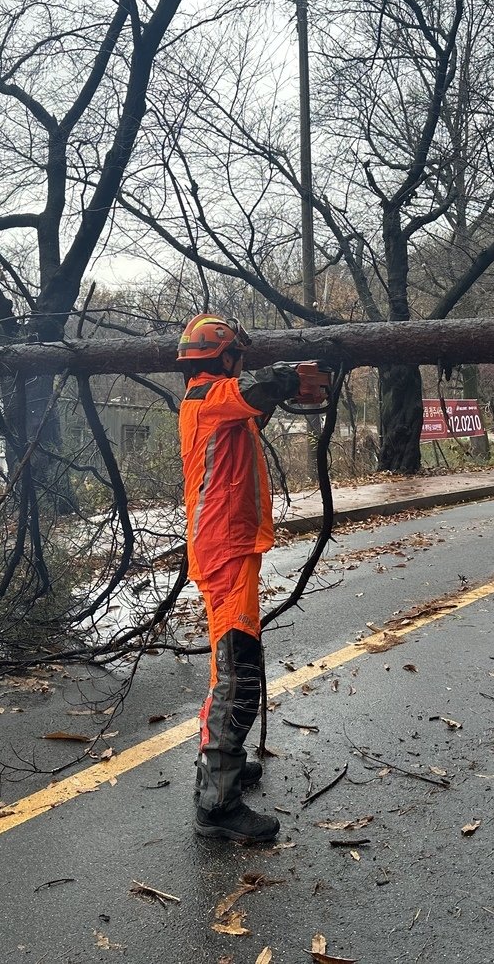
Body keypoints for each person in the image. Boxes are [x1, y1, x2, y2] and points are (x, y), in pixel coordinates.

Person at [176, 314, 302, 843]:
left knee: (227, 668)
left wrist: (276, 393)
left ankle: (218, 769)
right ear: (225, 359)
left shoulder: (221, 406)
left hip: (230, 546)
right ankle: (218, 805)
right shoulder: (209, 399)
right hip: (224, 550)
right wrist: (292, 373)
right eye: (238, 357)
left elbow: (255, 405)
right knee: (237, 674)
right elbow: (255, 388)